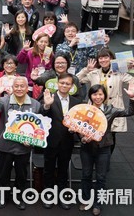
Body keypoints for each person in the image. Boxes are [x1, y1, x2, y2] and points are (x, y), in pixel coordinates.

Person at [78, 84, 134, 216]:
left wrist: (132, 97)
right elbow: (78, 127)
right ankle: (86, 200)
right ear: (90, 96)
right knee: (86, 175)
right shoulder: (84, 110)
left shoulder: (111, 109)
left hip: (104, 148)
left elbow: (129, 112)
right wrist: (82, 138)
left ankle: (97, 204)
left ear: (104, 96)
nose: (97, 97)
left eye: (100, 94)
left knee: (101, 177)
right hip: (86, 148)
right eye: (95, 94)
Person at [77, 49, 134, 154]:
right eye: (101, 58)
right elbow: (76, 80)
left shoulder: (119, 73)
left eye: (106, 57)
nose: (103, 60)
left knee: (110, 135)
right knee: (92, 132)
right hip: (95, 108)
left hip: (112, 108)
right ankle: (93, 157)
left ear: (112, 59)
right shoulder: (94, 73)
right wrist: (86, 70)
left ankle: (106, 158)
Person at [0, 77, 41, 210]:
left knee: (22, 174)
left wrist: (31, 140)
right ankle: (3, 197)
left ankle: (19, 197)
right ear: (12, 88)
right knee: (3, 174)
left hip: (23, 147)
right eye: (16, 86)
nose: (19, 89)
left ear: (27, 88)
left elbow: (38, 127)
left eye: (22, 86)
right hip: (5, 145)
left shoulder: (35, 104)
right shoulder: (4, 100)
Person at [39, 73, 81, 210]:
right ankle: (48, 196)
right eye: (62, 83)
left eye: (67, 84)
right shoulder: (48, 97)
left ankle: (62, 196)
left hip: (67, 142)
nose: (64, 85)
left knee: (63, 170)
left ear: (72, 86)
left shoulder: (76, 103)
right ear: (57, 83)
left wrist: (75, 130)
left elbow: (79, 123)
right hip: (51, 141)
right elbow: (41, 115)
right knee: (48, 170)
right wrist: (46, 105)